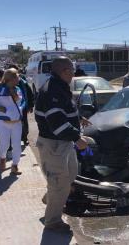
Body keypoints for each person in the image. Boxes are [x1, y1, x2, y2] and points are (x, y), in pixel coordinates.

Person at [35, 57, 89, 232]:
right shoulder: (52, 90)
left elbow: (66, 111)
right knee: (59, 183)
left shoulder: (61, 86)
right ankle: (52, 221)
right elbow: (57, 123)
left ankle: (51, 198)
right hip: (54, 145)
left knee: (70, 175)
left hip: (63, 143)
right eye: (72, 70)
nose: (74, 73)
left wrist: (79, 119)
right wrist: (77, 138)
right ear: (64, 71)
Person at [0, 68, 25, 174]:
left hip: (16, 123)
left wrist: (16, 97)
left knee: (17, 145)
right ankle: (3, 158)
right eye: (17, 76)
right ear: (11, 79)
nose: (19, 78)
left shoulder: (17, 89)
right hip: (2, 123)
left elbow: (22, 102)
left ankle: (15, 165)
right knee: (4, 145)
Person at [8, 64, 34, 146]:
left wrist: (31, 105)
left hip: (22, 107)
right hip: (10, 108)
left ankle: (24, 138)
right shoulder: (5, 82)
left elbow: (29, 93)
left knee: (24, 123)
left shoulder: (23, 81)